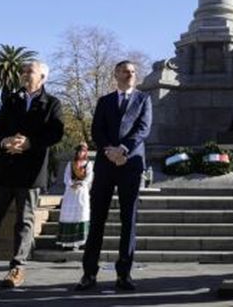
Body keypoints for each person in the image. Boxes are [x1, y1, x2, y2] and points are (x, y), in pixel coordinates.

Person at [0, 60, 64, 289]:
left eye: (31, 71)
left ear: (43, 78)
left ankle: (17, 268)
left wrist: (29, 143)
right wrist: (4, 140)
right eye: (24, 71)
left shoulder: (52, 104)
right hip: (4, 170)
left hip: (30, 174)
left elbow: (55, 132)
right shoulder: (10, 100)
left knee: (24, 223)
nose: (25, 74)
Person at [75, 60, 152, 292]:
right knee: (97, 219)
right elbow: (96, 129)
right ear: (116, 74)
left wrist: (124, 150)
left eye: (132, 72)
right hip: (106, 165)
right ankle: (89, 273)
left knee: (128, 221)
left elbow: (143, 128)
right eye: (124, 71)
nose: (129, 74)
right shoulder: (104, 101)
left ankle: (124, 274)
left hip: (130, 164)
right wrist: (109, 150)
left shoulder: (144, 99)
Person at [56, 142, 94, 250]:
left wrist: (81, 184)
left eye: (83, 151)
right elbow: (66, 177)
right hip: (71, 192)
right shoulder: (71, 164)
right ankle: (67, 242)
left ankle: (80, 242)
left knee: (80, 214)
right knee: (69, 215)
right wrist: (71, 184)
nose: (81, 153)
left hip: (82, 192)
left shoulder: (88, 164)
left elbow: (89, 178)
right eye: (79, 151)